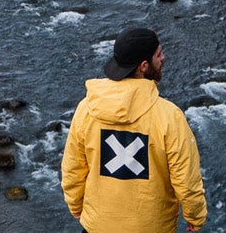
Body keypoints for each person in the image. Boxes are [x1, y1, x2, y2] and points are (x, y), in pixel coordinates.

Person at [61, 26, 208, 233]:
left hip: (98, 226)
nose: (163, 58)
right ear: (143, 66)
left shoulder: (87, 108)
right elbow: (186, 179)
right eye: (159, 54)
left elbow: (73, 167)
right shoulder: (169, 116)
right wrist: (195, 217)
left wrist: (75, 205)